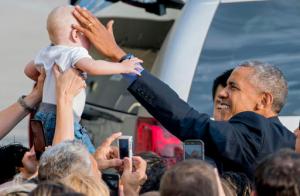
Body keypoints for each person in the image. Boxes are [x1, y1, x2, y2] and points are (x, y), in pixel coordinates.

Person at [71, 6, 295, 180]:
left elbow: (186, 118)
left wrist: (121, 59)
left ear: (263, 100)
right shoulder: (286, 141)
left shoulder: (255, 134)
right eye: (225, 85)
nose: (222, 94)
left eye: (233, 87)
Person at [24, 5, 142, 153]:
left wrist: (46, 78)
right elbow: (93, 67)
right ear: (76, 34)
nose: (92, 42)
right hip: (65, 118)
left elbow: (28, 71)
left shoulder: (47, 51)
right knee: (86, 159)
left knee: (45, 156)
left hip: (42, 115)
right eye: (89, 35)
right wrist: (123, 67)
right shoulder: (75, 52)